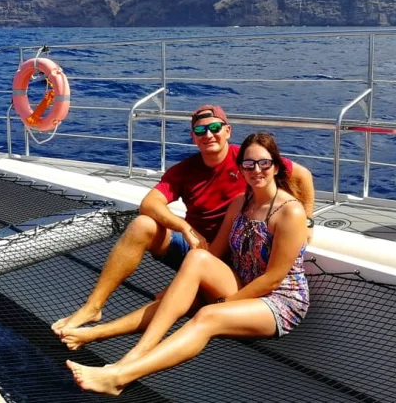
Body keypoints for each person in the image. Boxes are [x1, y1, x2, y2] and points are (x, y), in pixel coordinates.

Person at [65, 132, 311, 395]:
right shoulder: (241, 202)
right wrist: (180, 285)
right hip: (243, 283)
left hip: (279, 301)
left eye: (264, 163)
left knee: (207, 315)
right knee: (196, 258)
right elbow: (213, 253)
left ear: (276, 166)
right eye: (248, 164)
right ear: (240, 169)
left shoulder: (290, 211)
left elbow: (273, 279)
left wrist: (226, 303)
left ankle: (119, 377)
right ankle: (133, 354)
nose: (256, 170)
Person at [52, 105, 314, 334]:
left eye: (214, 128)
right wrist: (184, 227)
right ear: (193, 137)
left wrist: (308, 220)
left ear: (227, 131)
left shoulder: (249, 161)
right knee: (142, 224)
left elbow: (303, 176)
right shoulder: (185, 170)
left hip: (230, 257)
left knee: (182, 295)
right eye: (200, 131)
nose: (208, 135)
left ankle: (119, 340)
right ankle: (93, 307)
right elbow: (149, 203)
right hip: (198, 248)